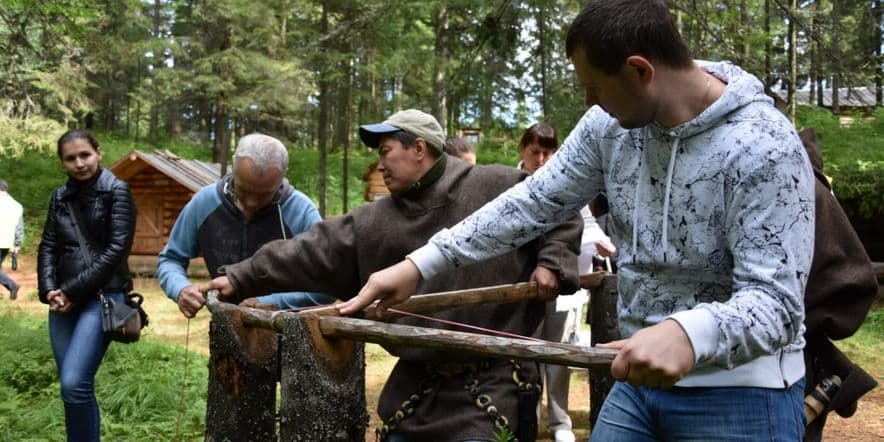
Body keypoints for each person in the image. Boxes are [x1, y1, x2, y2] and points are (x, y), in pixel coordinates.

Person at [340, 1, 815, 440]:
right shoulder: (608, 128)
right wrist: (420, 264)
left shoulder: (764, 146)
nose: (589, 100)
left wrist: (691, 332)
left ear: (639, 70)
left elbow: (777, 302)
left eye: (595, 86)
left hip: (746, 395)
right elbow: (530, 204)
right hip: (635, 386)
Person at [205, 109, 583, 441]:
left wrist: (552, 260)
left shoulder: (497, 186)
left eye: (385, 151)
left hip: (494, 382)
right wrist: (241, 277)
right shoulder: (375, 220)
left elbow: (561, 207)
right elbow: (309, 250)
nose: (379, 164)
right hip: (416, 386)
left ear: (419, 149)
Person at [157, 133, 332, 318]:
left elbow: (329, 285)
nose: (251, 203)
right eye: (243, 189)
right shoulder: (205, 203)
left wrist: (269, 303)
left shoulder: (301, 212)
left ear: (283, 174)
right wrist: (180, 289)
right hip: (227, 326)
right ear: (234, 165)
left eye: (263, 194)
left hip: (290, 331)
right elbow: (171, 259)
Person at [516, 123, 615, 442]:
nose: (542, 160)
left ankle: (560, 424)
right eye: (535, 152)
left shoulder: (567, 184)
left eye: (548, 152)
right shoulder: (509, 184)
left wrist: (602, 243)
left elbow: (587, 226)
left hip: (563, 291)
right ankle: (525, 423)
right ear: (523, 151)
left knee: (558, 357)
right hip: (522, 290)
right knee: (525, 358)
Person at [38, 130, 137, 441]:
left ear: (98, 152)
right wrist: (49, 291)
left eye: (85, 155)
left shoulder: (117, 191)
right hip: (63, 299)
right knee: (73, 389)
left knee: (74, 381)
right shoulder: (59, 197)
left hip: (103, 296)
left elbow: (116, 251)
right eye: (71, 158)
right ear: (63, 162)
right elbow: (49, 245)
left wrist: (70, 291)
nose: (79, 163)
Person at [0, 179, 24, 300]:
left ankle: (12, 286)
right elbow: (19, 227)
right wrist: (16, 244)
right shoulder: (16, 205)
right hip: (7, 242)